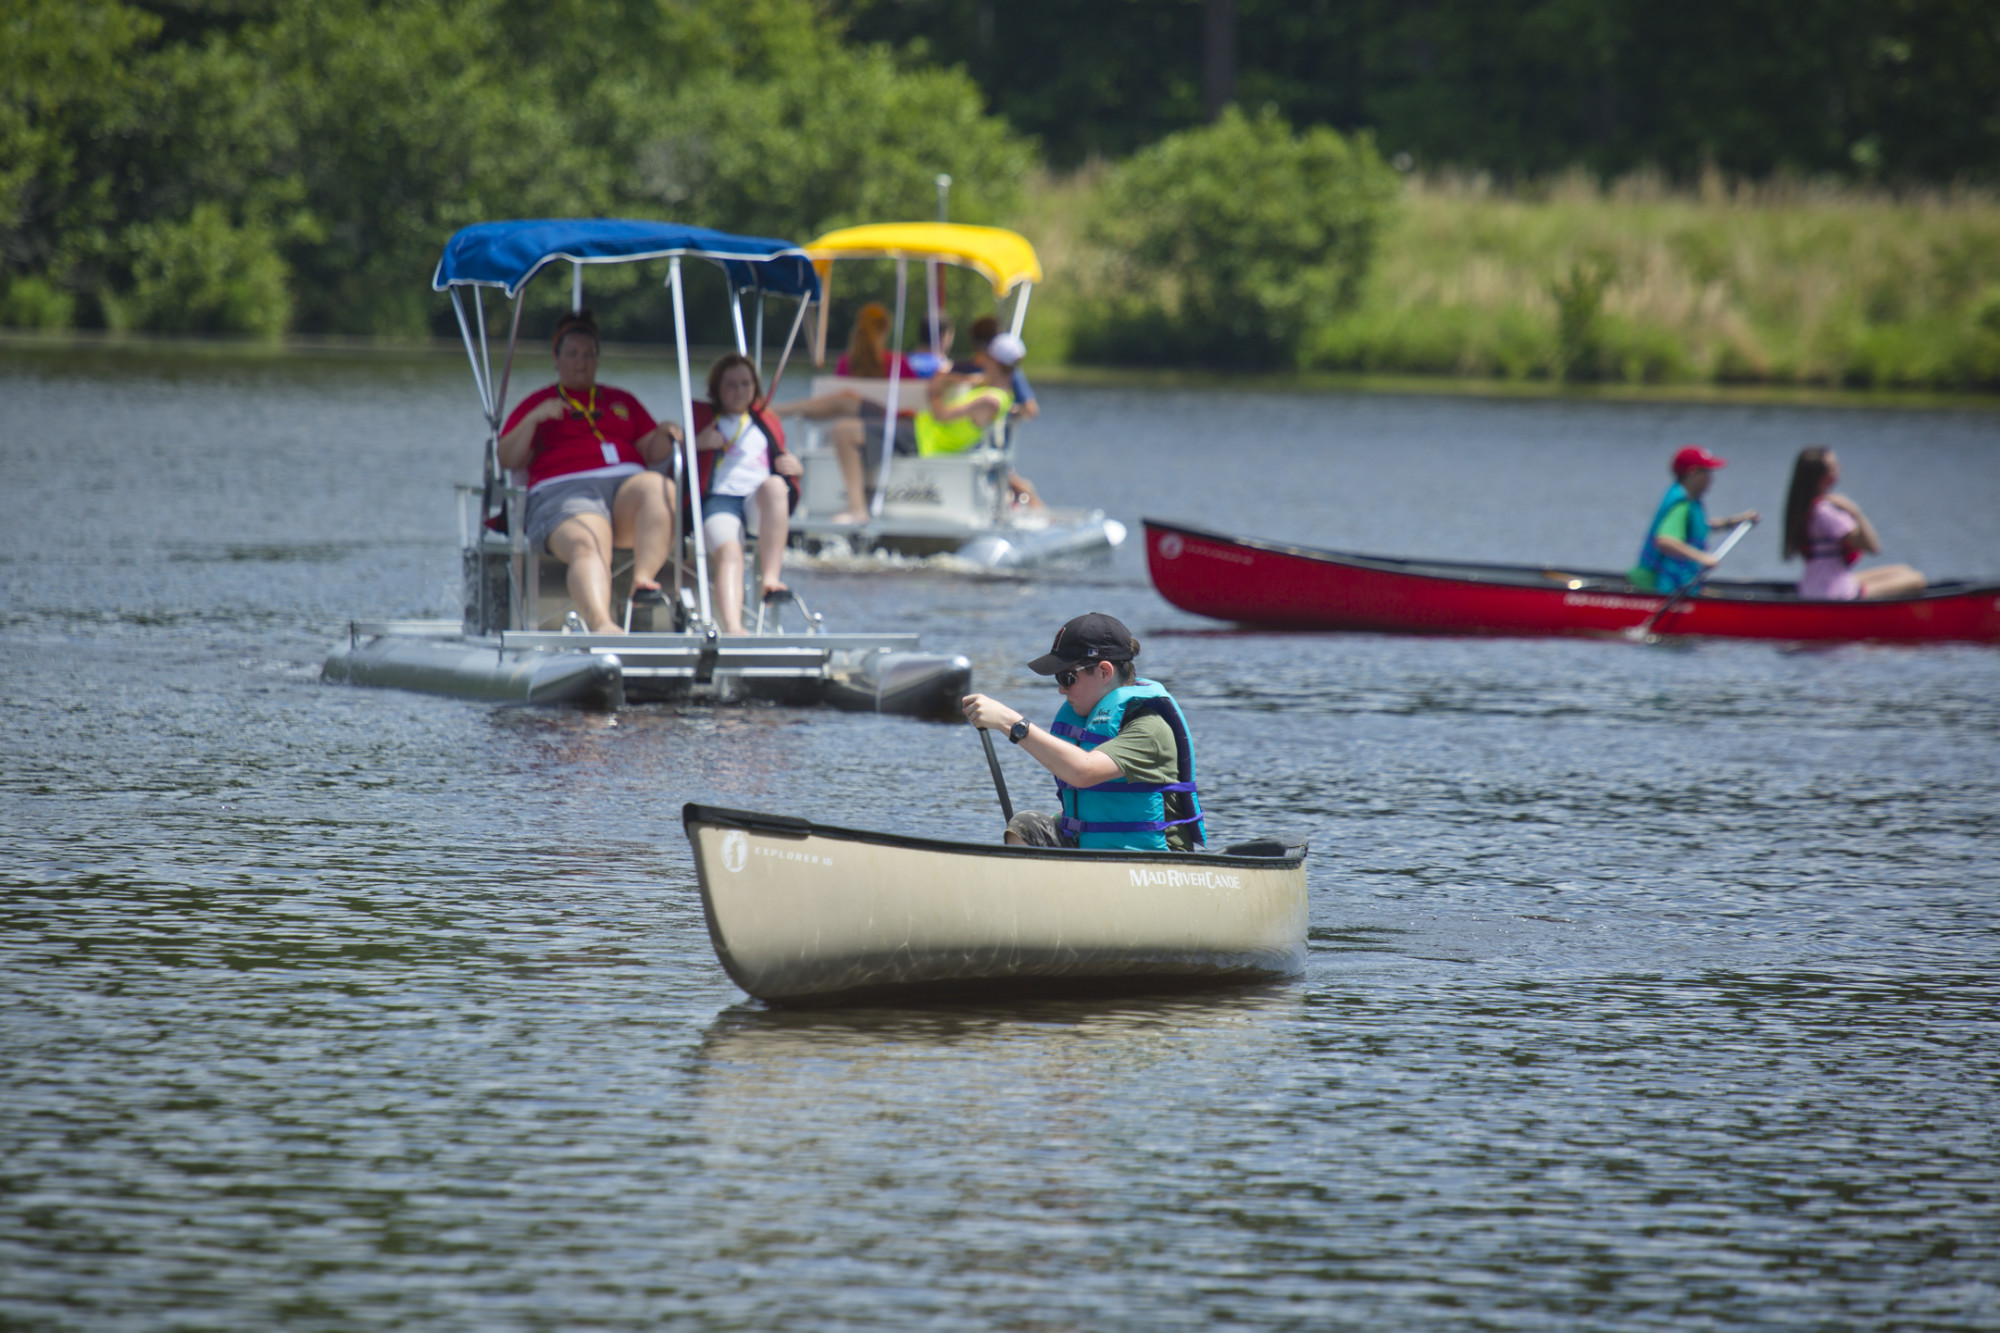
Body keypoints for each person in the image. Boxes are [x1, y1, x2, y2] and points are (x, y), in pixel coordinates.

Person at [497, 310, 683, 633]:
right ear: (556, 358)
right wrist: (534, 420)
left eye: (588, 355)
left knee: (660, 488)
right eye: (572, 354)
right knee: (589, 541)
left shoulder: (621, 400)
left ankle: (643, 581)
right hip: (565, 492)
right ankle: (601, 623)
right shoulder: (538, 402)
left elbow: (652, 450)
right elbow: (507, 458)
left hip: (624, 488)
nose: (580, 362)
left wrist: (665, 434)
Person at [961, 613, 1205, 851]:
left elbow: (1083, 771)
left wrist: (1010, 723)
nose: (1061, 690)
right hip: (1096, 853)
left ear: (1104, 672)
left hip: (1153, 866)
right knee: (1026, 826)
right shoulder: (1084, 722)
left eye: (1066, 677)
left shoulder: (1149, 728)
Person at [691, 353, 802, 634]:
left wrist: (795, 468)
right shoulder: (705, 419)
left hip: (757, 502)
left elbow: (783, 459)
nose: (739, 391)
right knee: (730, 551)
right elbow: (674, 457)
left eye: (745, 384)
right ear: (716, 388)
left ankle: (771, 579)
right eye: (730, 384)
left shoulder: (765, 422)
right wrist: (696, 444)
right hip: (719, 501)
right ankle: (733, 626)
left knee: (777, 485)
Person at [1782, 446, 1925, 600]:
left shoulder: (1806, 506)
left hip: (1814, 586)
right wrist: (1855, 511)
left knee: (1902, 570)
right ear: (1823, 475)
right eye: (1834, 465)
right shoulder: (1825, 512)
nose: (1840, 467)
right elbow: (1873, 546)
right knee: (1917, 580)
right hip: (1833, 593)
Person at [1628, 445, 1759, 594]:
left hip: (1678, 586)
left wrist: (1735, 521)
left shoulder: (1690, 501)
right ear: (1693, 473)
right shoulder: (1681, 505)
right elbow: (1665, 541)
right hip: (1661, 587)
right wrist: (1702, 557)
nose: (1712, 479)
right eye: (1707, 472)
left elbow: (1699, 528)